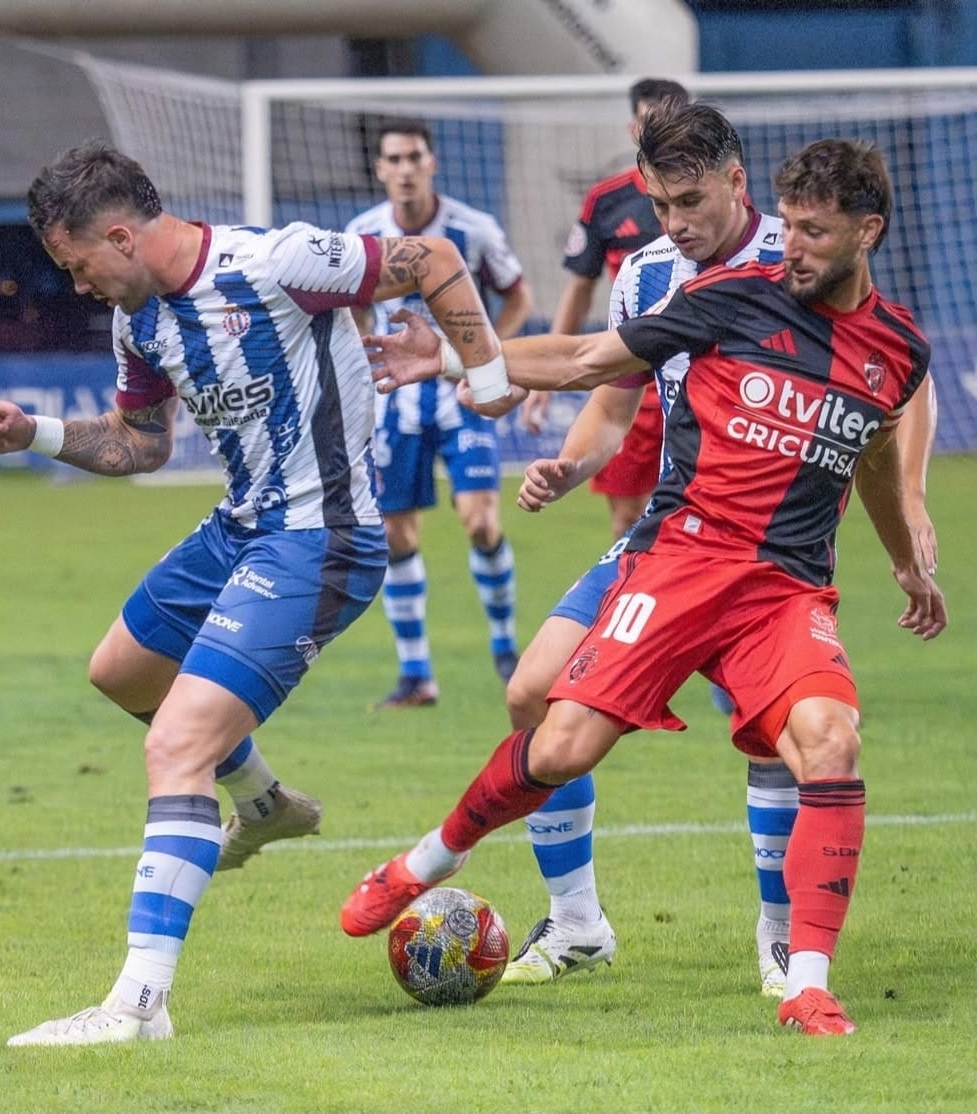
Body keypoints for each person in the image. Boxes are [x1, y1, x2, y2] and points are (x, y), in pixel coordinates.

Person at [342, 136, 947, 1037]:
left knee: (829, 741)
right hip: (681, 561)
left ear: (868, 232)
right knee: (558, 745)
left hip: (784, 592)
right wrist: (454, 357)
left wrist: (903, 557)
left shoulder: (897, 347)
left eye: (815, 233)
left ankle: (806, 982)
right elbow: (588, 360)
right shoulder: (729, 298)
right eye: (788, 228)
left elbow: (870, 456)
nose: (793, 248)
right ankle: (431, 858)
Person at [0, 138, 510, 1046]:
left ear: (119, 236)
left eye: (77, 265)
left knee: (176, 745)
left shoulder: (275, 263)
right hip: (240, 528)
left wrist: (485, 377)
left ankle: (137, 1007)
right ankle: (262, 801)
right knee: (121, 672)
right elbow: (139, 444)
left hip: (321, 538)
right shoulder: (140, 322)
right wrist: (36, 434)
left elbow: (433, 257)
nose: (77, 285)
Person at [498, 105, 941, 991]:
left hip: (770, 554)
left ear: (735, 184)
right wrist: (573, 465)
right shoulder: (647, 273)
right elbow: (613, 389)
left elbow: (896, 379)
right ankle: (577, 922)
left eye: (688, 201)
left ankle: (779, 937)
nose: (672, 223)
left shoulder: (801, 253)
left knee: (778, 735)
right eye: (659, 205)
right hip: (669, 531)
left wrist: (913, 498)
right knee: (531, 694)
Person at [345, 118, 535, 708]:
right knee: (395, 534)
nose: (405, 169)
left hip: (462, 395)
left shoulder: (472, 230)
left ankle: (505, 647)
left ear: (432, 163)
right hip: (393, 401)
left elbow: (519, 295)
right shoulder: (361, 235)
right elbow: (352, 310)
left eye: (414, 157)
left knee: (480, 521)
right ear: (380, 169)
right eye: (394, 159)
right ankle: (416, 675)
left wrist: (489, 357)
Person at [523, 77, 689, 542]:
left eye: (674, 122)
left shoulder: (716, 200)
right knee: (629, 519)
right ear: (633, 129)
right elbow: (580, 288)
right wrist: (546, 378)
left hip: (702, 374)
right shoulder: (606, 200)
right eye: (652, 122)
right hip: (632, 376)